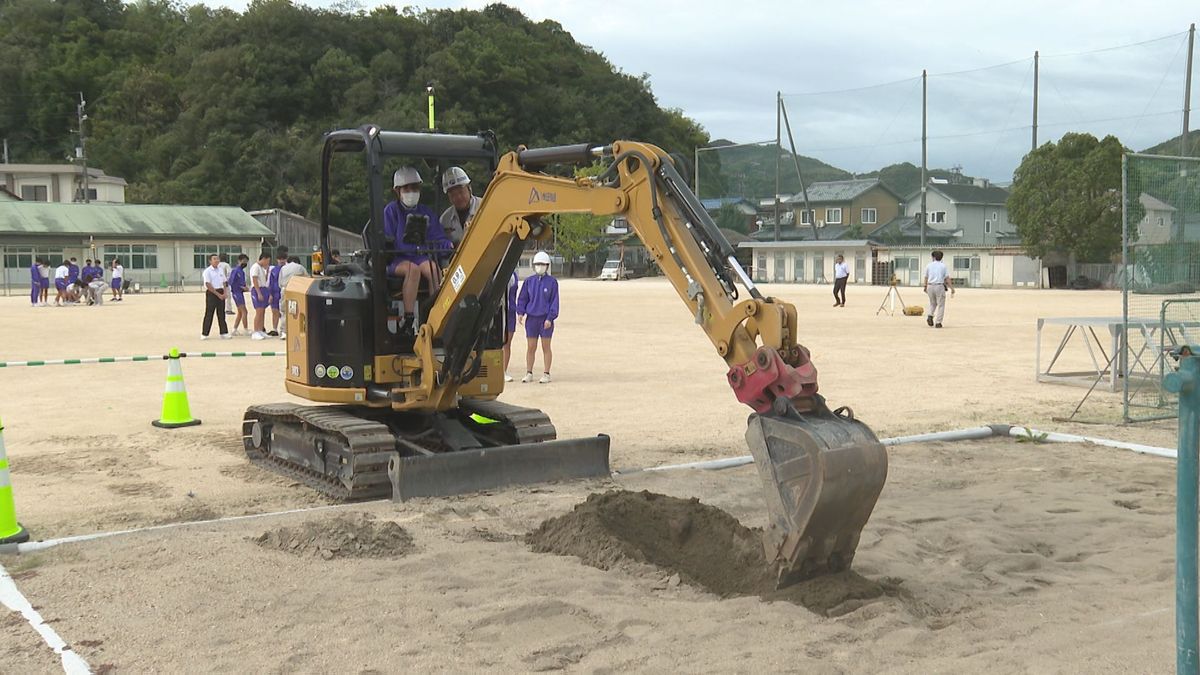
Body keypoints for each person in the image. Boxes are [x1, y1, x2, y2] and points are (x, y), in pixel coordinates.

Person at [383, 166, 451, 334]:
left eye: (414, 188)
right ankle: (409, 318)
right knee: (412, 271)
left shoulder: (425, 212)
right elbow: (387, 239)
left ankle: (435, 314)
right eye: (407, 188)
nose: (411, 192)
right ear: (397, 191)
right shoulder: (391, 211)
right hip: (397, 259)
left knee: (433, 269)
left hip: (420, 256)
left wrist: (447, 245)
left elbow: (438, 237)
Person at [516, 251, 559, 384]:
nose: (540, 266)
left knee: (546, 346)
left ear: (547, 266)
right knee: (531, 346)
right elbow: (523, 298)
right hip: (532, 319)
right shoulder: (529, 281)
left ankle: (546, 373)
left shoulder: (552, 282)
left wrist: (550, 318)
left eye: (542, 264)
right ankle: (529, 372)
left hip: (545, 319)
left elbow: (554, 301)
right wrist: (520, 313)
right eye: (537, 264)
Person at [439, 166, 481, 246]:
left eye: (461, 192)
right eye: (453, 194)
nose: (458, 197)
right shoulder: (445, 219)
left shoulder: (485, 207)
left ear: (469, 189)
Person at [277, 255, 309, 339]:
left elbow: (279, 282)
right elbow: (307, 279)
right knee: (298, 311)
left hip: (285, 290)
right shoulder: (300, 267)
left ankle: (284, 332)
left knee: (285, 311)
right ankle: (296, 330)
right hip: (297, 290)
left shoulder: (283, 268)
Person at [201, 254, 231, 340]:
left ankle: (224, 332)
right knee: (209, 313)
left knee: (221, 313)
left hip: (221, 291)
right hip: (212, 292)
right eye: (214, 259)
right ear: (210, 261)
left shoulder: (221, 270)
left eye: (218, 258)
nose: (217, 260)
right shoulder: (207, 271)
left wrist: (225, 293)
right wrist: (218, 294)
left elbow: (224, 282)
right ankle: (205, 333)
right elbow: (208, 284)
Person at [922, 250, 954, 329]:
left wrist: (925, 286)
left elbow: (926, 277)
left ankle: (930, 315)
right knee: (941, 305)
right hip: (939, 286)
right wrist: (952, 288)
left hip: (930, 286)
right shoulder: (943, 266)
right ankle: (938, 322)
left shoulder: (929, 265)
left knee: (932, 303)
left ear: (934, 257)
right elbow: (947, 278)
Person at [248, 251, 271, 340]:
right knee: (259, 311)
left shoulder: (262, 268)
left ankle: (261, 330)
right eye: (267, 261)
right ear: (263, 259)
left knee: (263, 311)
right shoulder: (255, 267)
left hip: (263, 288)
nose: (268, 263)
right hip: (258, 289)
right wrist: (258, 292)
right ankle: (255, 331)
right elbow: (254, 279)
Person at [267, 246, 287, 337]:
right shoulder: (274, 270)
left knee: (284, 311)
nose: (281, 261)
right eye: (280, 259)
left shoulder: (287, 269)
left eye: (283, 259)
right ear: (277, 260)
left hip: (284, 292)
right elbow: (270, 283)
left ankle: (284, 329)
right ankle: (274, 329)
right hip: (275, 293)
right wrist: (270, 294)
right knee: (275, 311)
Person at [502, 270, 518, 382]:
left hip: (510, 312)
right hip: (497, 311)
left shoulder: (514, 275)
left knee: (507, 342)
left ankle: (504, 371)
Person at [229, 253, 250, 335]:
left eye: (246, 262)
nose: (245, 263)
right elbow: (231, 282)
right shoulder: (235, 271)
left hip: (240, 293)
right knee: (244, 311)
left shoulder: (242, 272)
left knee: (240, 312)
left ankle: (234, 329)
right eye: (243, 261)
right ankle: (245, 329)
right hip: (236, 293)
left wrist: (245, 287)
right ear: (239, 261)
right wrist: (241, 287)